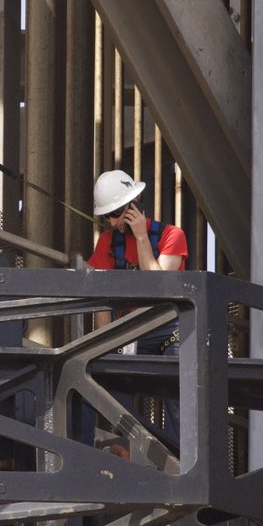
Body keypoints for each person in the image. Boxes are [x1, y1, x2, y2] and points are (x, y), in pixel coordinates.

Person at [87, 169, 188, 445]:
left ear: (134, 205)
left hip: (170, 327)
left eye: (117, 213)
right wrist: (103, 342)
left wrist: (141, 237)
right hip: (132, 330)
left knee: (177, 380)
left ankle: (180, 457)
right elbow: (102, 299)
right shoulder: (108, 242)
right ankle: (128, 447)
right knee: (109, 374)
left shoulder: (171, 236)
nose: (113, 221)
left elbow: (160, 290)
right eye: (108, 216)